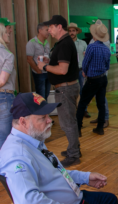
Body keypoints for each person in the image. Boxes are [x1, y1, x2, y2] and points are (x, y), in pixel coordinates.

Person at [0, 93, 118, 204]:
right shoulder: (18, 156)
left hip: (70, 203)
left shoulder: (33, 141)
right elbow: (28, 203)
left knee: (110, 200)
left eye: (48, 116)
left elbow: (55, 173)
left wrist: (85, 177)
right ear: (23, 121)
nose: (50, 120)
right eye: (42, 118)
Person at [37, 15, 81, 167]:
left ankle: (74, 154)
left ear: (59, 27)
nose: (48, 30)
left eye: (51, 27)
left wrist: (44, 67)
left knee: (67, 122)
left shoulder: (63, 44)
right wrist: (50, 63)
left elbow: (62, 70)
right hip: (67, 87)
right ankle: (74, 149)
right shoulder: (64, 43)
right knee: (69, 121)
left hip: (65, 88)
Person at [76, 20, 110, 136]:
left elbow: (85, 62)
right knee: (101, 104)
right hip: (103, 79)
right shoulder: (106, 49)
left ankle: (78, 129)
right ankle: (100, 128)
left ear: (94, 35)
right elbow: (107, 66)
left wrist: (85, 71)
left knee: (82, 103)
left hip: (92, 79)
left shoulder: (91, 47)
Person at [88, 20, 111, 129]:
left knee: (101, 98)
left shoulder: (103, 42)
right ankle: (101, 117)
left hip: (99, 75)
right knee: (99, 97)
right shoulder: (93, 40)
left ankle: (105, 118)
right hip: (94, 74)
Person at [67, 22, 90, 119]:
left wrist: (86, 69)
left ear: (77, 32)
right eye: (70, 31)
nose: (71, 33)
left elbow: (88, 57)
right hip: (69, 71)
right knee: (70, 92)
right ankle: (71, 111)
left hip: (81, 70)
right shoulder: (65, 43)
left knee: (82, 91)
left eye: (73, 31)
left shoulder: (83, 43)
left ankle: (83, 110)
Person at [0, 22, 16, 149]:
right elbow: (2, 80)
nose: (8, 34)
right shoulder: (7, 55)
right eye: (6, 32)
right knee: (5, 138)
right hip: (4, 97)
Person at [26, 23, 51, 100]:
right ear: (40, 30)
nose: (49, 31)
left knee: (46, 94)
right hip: (39, 73)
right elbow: (29, 59)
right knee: (41, 95)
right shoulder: (32, 42)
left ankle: (44, 111)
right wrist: (38, 71)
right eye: (47, 30)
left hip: (48, 71)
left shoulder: (47, 43)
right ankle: (41, 112)